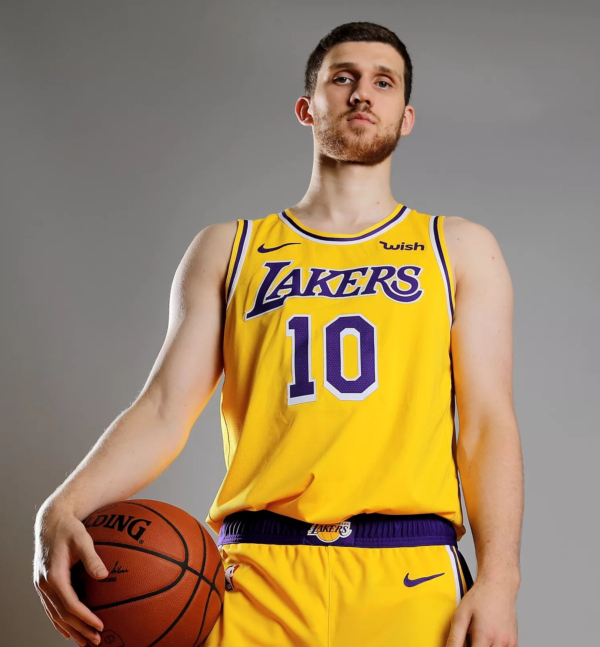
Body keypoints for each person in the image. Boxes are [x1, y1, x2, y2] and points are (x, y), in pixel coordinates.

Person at [33, 21, 523, 647]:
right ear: (306, 107)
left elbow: (486, 423)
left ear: (405, 118)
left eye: (384, 82)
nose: (362, 93)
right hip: (259, 574)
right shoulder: (229, 249)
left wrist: (501, 578)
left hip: (412, 572)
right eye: (342, 78)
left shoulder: (457, 247)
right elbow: (163, 409)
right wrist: (62, 505)